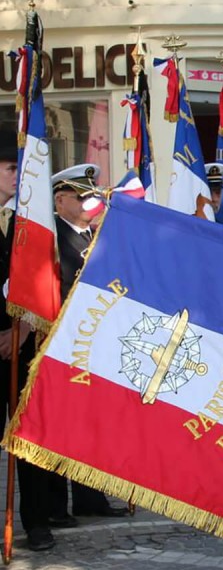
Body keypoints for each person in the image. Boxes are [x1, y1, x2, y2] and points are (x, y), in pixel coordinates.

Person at [52, 164, 130, 518]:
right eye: (82, 197)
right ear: (60, 201)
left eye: (91, 196)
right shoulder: (53, 237)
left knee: (94, 426)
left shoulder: (94, 237)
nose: (89, 203)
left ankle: (90, 498)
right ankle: (54, 506)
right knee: (62, 428)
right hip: (65, 345)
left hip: (97, 345)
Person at [0, 130, 56, 551]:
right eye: (10, 168)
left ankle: (37, 522)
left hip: (23, 343)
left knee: (30, 438)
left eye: (20, 168)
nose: (18, 176)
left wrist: (20, 329)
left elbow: (42, 280)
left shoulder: (30, 219)